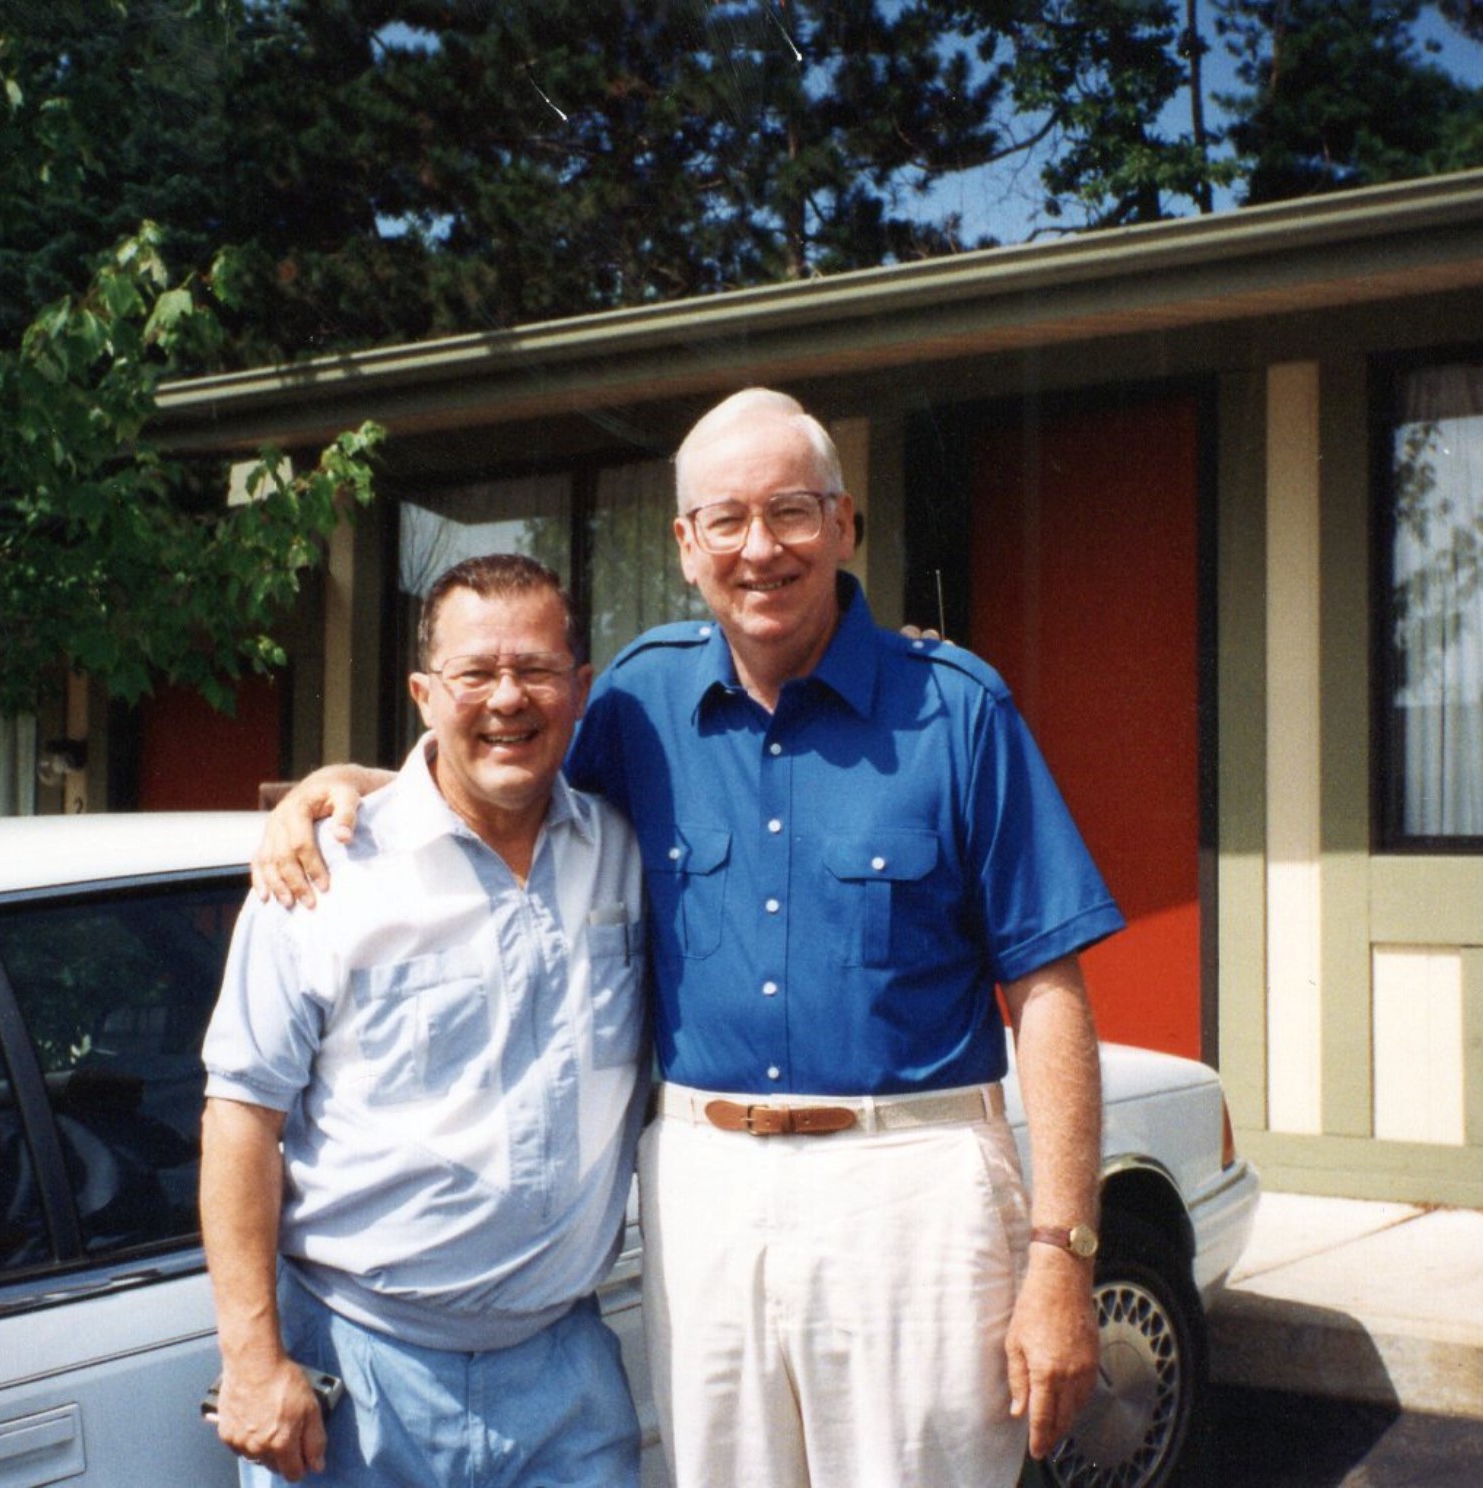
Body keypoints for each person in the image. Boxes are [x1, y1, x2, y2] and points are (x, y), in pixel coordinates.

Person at [255, 389, 1122, 1487]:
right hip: (705, 1189)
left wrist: (1062, 1257)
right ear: (683, 544)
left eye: (791, 511)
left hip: (912, 1185)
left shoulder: (956, 710)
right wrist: (352, 783)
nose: (760, 548)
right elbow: (502, 791)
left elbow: (1048, 990)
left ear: (844, 523)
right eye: (726, 519)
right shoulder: (637, 699)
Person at [200, 554, 648, 1487]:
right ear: (423, 694)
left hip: (566, 1378)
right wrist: (251, 1361)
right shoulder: (325, 874)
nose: (507, 698)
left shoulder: (625, 850)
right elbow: (240, 1117)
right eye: (474, 672)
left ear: (580, 688)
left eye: (535, 669)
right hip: (359, 1374)